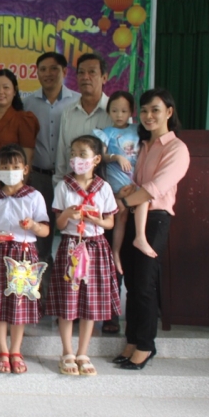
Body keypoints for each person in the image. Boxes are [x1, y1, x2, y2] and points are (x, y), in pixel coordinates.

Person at [114, 88, 190, 370]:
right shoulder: (145, 146)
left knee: (145, 285)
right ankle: (132, 340)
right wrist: (128, 193)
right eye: (144, 111)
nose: (148, 116)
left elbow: (155, 189)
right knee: (132, 285)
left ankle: (146, 345)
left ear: (168, 113)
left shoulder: (177, 149)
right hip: (137, 215)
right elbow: (140, 185)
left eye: (155, 110)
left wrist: (122, 201)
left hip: (156, 219)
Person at [45, 135, 121, 376]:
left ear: (96, 159)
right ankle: (67, 351)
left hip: (95, 246)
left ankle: (83, 352)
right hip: (71, 246)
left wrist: (95, 219)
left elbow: (109, 222)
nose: (76, 159)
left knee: (91, 302)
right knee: (68, 301)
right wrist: (68, 213)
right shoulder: (63, 186)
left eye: (83, 154)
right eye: (73, 154)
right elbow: (58, 222)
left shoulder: (104, 187)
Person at [0, 144, 49, 375]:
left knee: (20, 302)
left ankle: (16, 350)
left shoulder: (33, 196)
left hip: (23, 255)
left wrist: (34, 226)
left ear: (25, 169)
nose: (10, 171)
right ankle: (2, 350)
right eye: (5, 167)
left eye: (15, 167)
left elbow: (45, 230)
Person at [23, 52, 79, 266]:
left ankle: (67, 291)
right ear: (37, 73)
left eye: (54, 68)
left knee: (72, 236)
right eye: (43, 69)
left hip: (71, 179)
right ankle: (42, 295)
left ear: (64, 72)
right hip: (40, 178)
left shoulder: (76, 101)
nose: (48, 73)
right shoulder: (28, 103)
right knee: (41, 239)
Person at [94, 91, 148, 273]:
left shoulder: (138, 130)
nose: (119, 115)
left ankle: (140, 236)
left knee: (144, 199)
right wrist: (116, 157)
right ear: (108, 111)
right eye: (115, 110)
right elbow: (100, 156)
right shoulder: (106, 133)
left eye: (124, 111)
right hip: (116, 181)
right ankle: (115, 253)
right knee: (122, 213)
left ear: (131, 112)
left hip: (134, 180)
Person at [54, 53, 113, 185]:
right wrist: (58, 187)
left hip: (107, 194)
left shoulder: (116, 113)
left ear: (104, 77)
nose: (85, 77)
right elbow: (62, 156)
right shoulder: (68, 113)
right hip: (72, 192)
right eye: (81, 73)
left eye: (92, 72)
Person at [0, 69, 40, 192]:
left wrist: (20, 190)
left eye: (6, 88)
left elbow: (28, 157)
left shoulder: (24, 119)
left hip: (13, 185)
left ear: (14, 91)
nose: (0, 92)